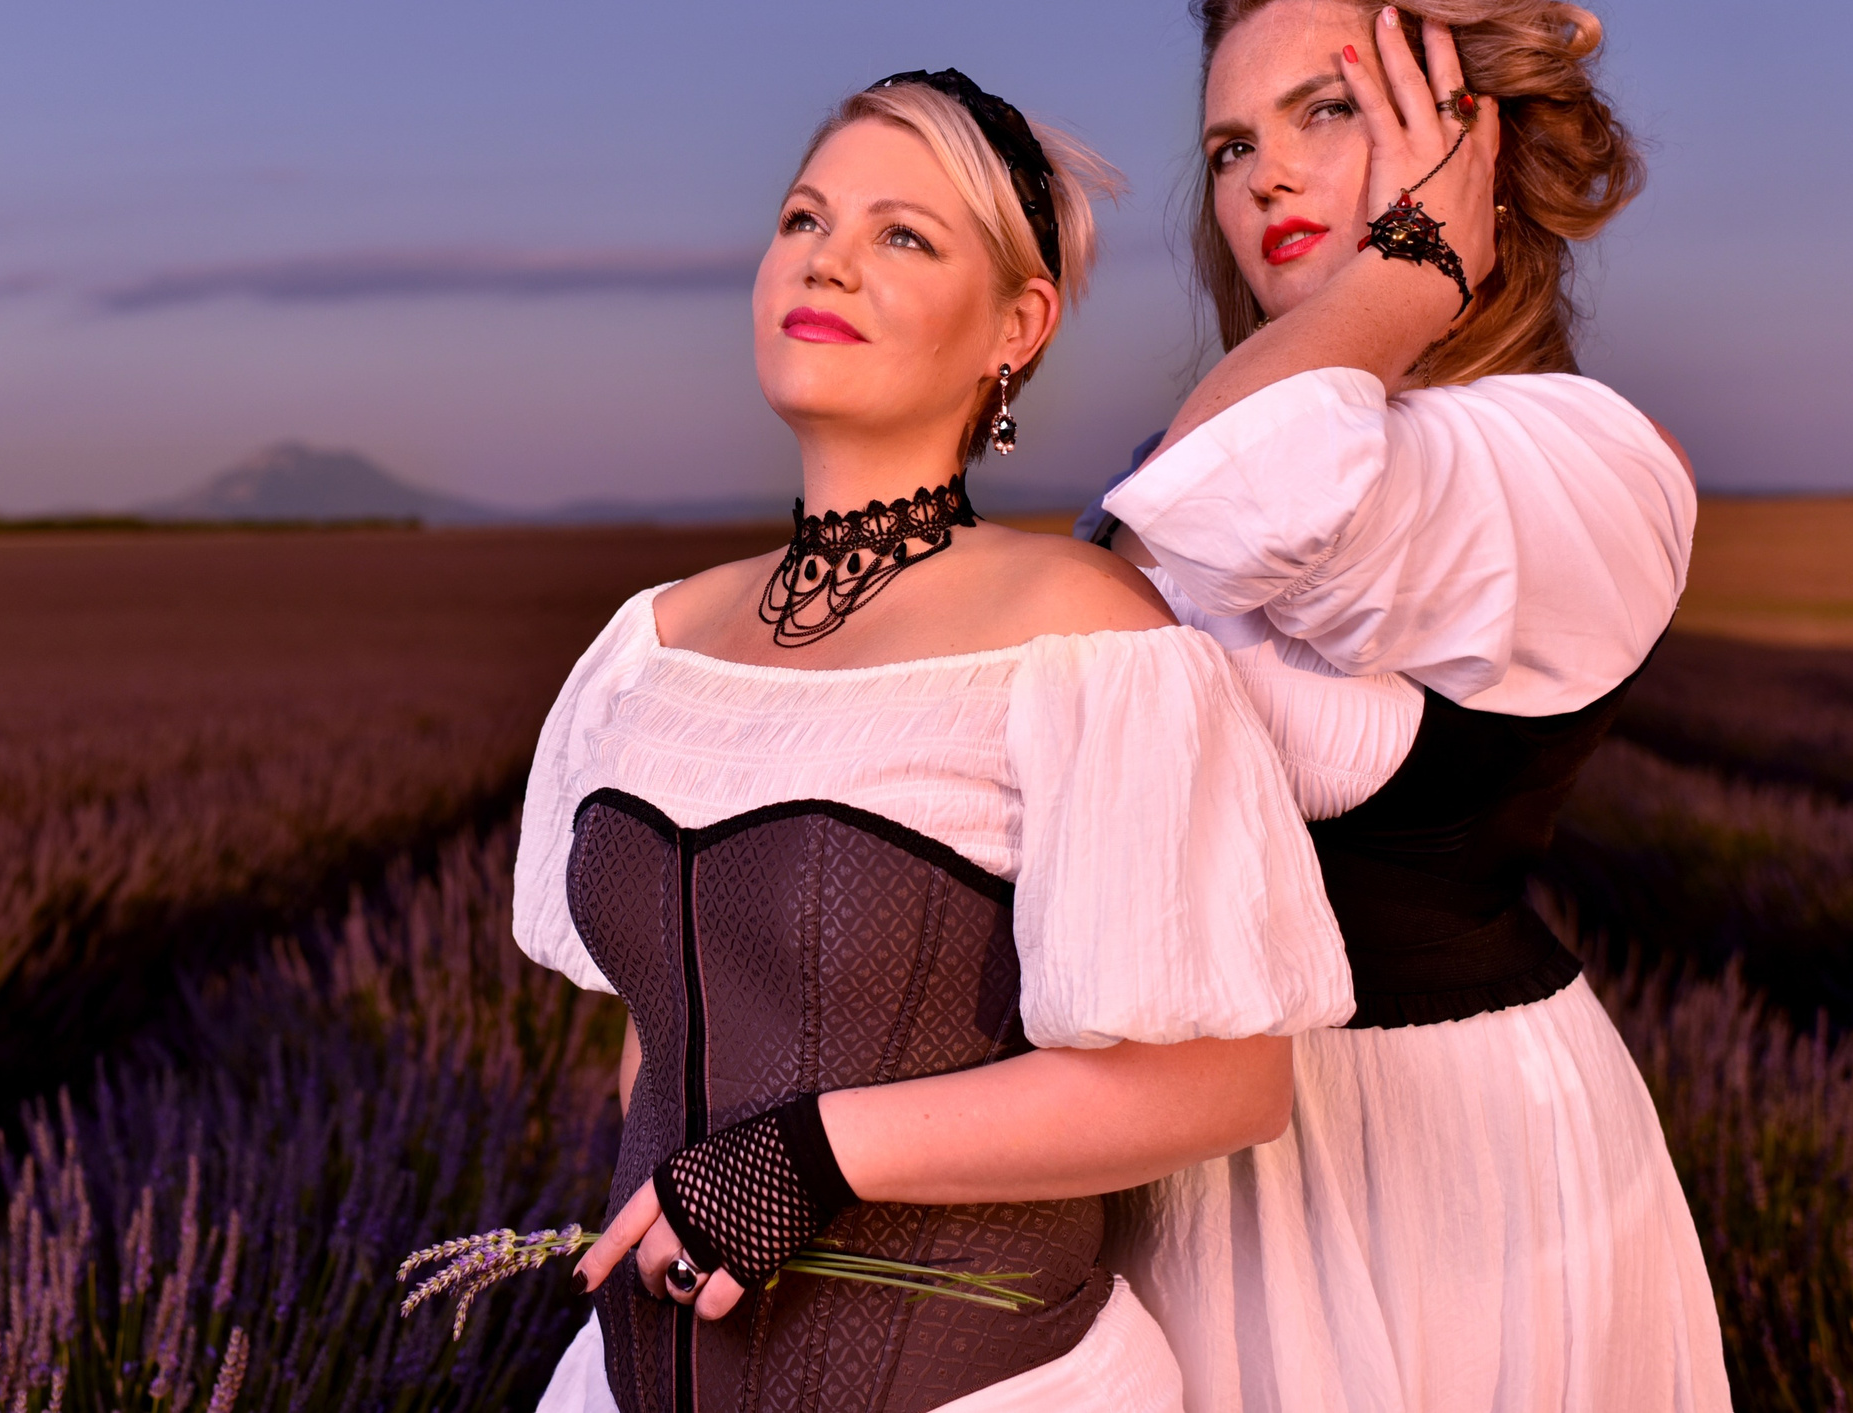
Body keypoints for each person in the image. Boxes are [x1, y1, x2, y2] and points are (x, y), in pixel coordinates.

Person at [513, 70, 1355, 1412]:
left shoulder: (1080, 633)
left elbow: (1223, 1082)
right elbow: (657, 1035)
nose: (827, 257)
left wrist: (815, 1151)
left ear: (1015, 326)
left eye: (901, 235)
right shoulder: (650, 643)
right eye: (802, 218)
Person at [1083, 0, 1732, 1411]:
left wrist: (1420, 258)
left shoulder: (1584, 457)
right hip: (1185, 1161)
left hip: (1448, 1173)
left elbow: (1249, 492)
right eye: (1233, 145)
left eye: (1333, 108)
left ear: (1476, 144)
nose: (1269, 176)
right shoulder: (1202, 457)